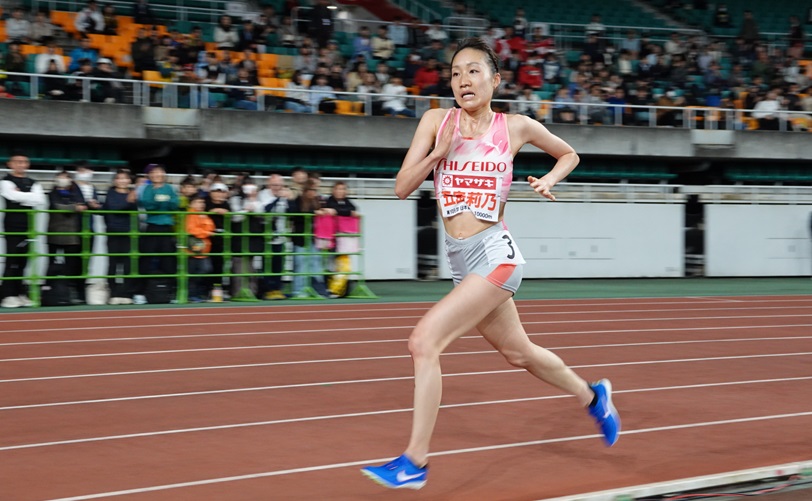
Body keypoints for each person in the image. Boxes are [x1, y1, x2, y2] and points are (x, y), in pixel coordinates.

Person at [360, 38, 621, 490]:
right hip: (461, 261)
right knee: (518, 352)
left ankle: (414, 463)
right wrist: (437, 155)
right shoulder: (436, 121)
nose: (463, 79)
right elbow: (402, 186)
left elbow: (569, 153)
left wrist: (549, 179)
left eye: (474, 71)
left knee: (424, 341)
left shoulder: (515, 127)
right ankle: (592, 396)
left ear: (495, 80)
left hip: (496, 254)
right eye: (456, 72)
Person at [0, 151, 46, 308]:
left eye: (24, 162)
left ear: (28, 164)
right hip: (12, 227)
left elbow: (39, 199)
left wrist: (23, 196)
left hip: (29, 227)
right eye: (17, 161)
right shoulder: (5, 181)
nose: (21, 164)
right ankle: (7, 295)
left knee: (23, 262)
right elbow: (12, 197)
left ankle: (20, 293)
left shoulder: (33, 182)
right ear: (10, 164)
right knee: (11, 261)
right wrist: (28, 197)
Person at [102, 169, 138, 304]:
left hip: (129, 233)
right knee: (113, 264)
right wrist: (129, 202)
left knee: (128, 265)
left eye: (125, 178)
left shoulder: (132, 194)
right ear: (115, 181)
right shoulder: (111, 193)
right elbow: (114, 208)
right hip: (114, 232)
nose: (122, 181)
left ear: (129, 180)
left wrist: (131, 202)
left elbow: (134, 212)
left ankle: (126, 293)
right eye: (119, 178)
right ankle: (113, 293)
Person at [185, 196, 215, 302]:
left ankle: (196, 293)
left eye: (202, 202)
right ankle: (191, 294)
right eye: (198, 202)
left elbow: (211, 227)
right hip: (192, 251)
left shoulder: (203, 215)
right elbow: (192, 230)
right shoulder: (190, 214)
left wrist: (204, 230)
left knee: (203, 270)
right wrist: (206, 232)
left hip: (203, 249)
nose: (201, 204)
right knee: (195, 272)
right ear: (191, 204)